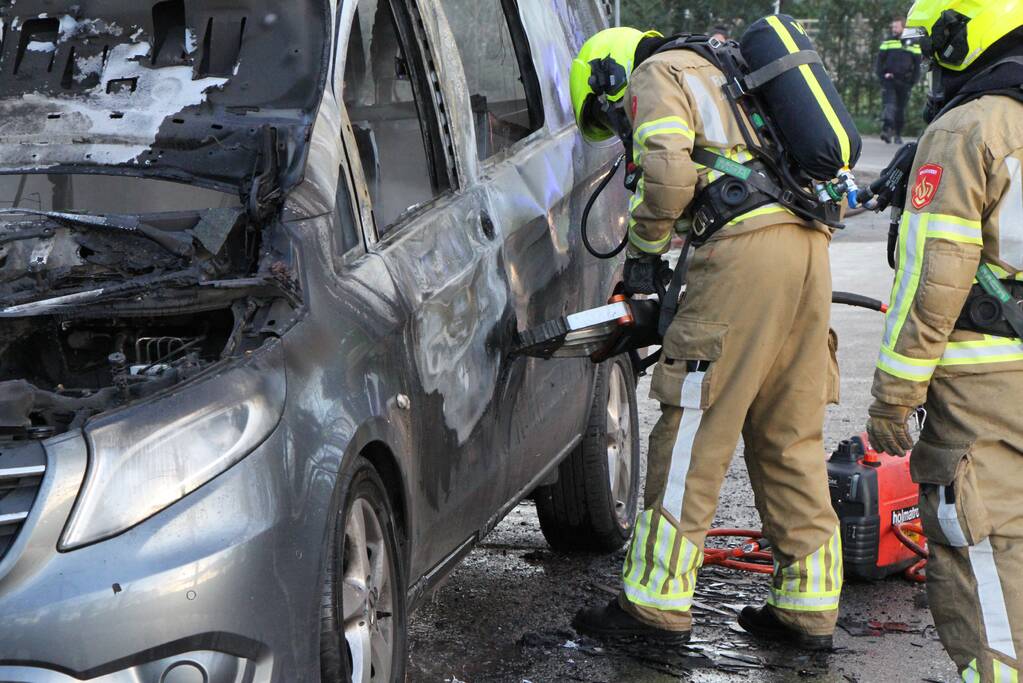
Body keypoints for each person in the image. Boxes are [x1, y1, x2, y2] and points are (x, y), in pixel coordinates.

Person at [568, 26, 844, 650]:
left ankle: (654, 607)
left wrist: (643, 256)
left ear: (609, 79)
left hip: (745, 252)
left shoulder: (655, 74)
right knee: (789, 434)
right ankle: (808, 610)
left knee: (694, 428)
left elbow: (667, 175)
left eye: (608, 116)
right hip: (807, 247)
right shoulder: (727, 72)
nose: (617, 126)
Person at [866, 2, 1023, 680]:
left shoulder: (968, 127)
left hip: (985, 384)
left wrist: (893, 395)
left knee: (977, 546)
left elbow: (932, 279)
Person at [876, 17, 923, 144]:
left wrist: (913, 81)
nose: (894, 29)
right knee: (889, 105)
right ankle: (887, 130)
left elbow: (917, 65)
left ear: (903, 28)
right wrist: (881, 77)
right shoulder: (888, 42)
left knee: (901, 109)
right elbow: (879, 61)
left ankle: (897, 134)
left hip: (905, 82)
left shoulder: (914, 44)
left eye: (896, 27)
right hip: (889, 81)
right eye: (893, 27)